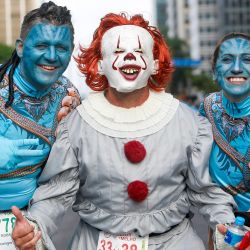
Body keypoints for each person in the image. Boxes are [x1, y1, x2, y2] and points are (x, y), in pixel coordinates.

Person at [12, 13, 237, 250]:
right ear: (99, 65)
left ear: (154, 64)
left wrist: (226, 225)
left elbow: (207, 191)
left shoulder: (189, 123)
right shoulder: (76, 124)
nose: (130, 57)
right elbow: (56, 193)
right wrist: (34, 224)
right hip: (95, 243)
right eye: (118, 52)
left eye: (140, 52)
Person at [0, 1, 80, 249]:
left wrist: (36, 224)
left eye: (61, 48)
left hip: (28, 224)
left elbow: (63, 179)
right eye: (42, 45)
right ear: (21, 48)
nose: (52, 56)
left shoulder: (70, 97)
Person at [200, 33, 250, 249]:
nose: (237, 68)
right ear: (214, 73)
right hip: (221, 222)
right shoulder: (208, 107)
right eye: (227, 59)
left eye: (247, 59)